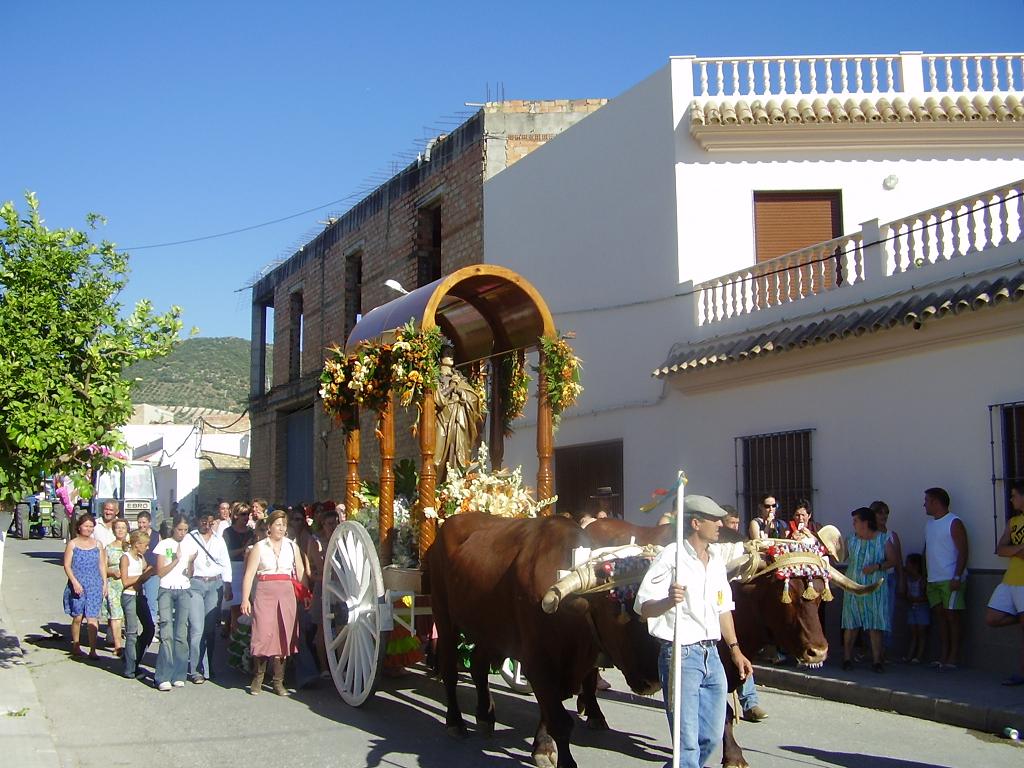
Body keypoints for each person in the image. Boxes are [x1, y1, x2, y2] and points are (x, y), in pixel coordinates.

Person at [634, 495, 753, 768]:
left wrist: (735, 650)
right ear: (696, 523)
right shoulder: (671, 557)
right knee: (686, 745)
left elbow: (723, 609)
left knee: (711, 736)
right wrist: (667, 601)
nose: (720, 524)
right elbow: (643, 607)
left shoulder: (716, 562)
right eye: (713, 520)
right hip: (681, 654)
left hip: (712, 655)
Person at [241, 509, 307, 696]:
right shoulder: (259, 547)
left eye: (284, 525)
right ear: (269, 527)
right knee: (263, 633)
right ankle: (258, 678)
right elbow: (249, 575)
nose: (281, 528)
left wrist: (305, 594)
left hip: (286, 591)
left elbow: (300, 571)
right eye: (278, 524)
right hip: (265, 591)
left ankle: (279, 682)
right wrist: (246, 598)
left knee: (284, 634)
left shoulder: (292, 546)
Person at [841, 507, 897, 672]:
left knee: (875, 625)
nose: (853, 524)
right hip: (853, 588)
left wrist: (877, 566)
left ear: (865, 522)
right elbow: (840, 557)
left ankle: (877, 661)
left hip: (875, 589)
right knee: (851, 624)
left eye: (856, 521)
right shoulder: (851, 540)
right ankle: (846, 658)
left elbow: (893, 560)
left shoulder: (883, 539)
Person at [183, 510, 232, 684]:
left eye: (209, 521)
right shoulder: (190, 538)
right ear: (197, 521)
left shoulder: (219, 540)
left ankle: (209, 665)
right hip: (195, 584)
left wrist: (228, 584)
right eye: (203, 520)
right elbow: (183, 560)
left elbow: (225, 563)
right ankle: (195, 669)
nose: (206, 524)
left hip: (214, 585)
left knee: (210, 630)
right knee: (197, 628)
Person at [923, 487, 968, 670]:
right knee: (940, 617)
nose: (924, 504)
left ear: (935, 502)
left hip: (950, 578)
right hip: (933, 578)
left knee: (952, 617)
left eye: (926, 500)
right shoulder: (929, 525)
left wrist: (957, 575)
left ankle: (954, 656)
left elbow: (963, 550)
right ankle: (943, 655)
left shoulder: (954, 522)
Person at [986, 480, 1024, 685]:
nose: (1011, 499)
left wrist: (1013, 550)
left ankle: (1021, 673)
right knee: (992, 618)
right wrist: (1018, 550)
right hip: (1010, 580)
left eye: (1014, 495)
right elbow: (1000, 549)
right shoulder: (1013, 522)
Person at [154, 514, 194, 691]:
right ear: (174, 529)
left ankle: (179, 673)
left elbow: (190, 574)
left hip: (184, 589)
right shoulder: (164, 544)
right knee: (166, 632)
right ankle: (163, 675)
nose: (182, 533)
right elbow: (160, 572)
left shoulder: (189, 544)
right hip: (167, 589)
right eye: (180, 530)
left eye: (185, 530)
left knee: (181, 633)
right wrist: (176, 559)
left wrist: (190, 563)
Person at [62, 513, 107, 658]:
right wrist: (74, 582)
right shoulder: (72, 544)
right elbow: (67, 565)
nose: (88, 529)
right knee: (78, 616)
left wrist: (104, 583)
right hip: (78, 584)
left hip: (94, 584)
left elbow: (101, 565)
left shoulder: (97, 544)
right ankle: (76, 645)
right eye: (85, 526)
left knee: (93, 618)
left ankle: (93, 650)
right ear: (79, 527)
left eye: (91, 526)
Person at [434, 353, 484, 476]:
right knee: (436, 458)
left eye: (451, 353)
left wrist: (462, 394)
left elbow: (474, 398)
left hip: (459, 418)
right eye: (446, 353)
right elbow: (436, 399)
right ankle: (435, 488)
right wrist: (451, 387)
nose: (450, 356)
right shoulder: (435, 378)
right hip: (442, 418)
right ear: (440, 358)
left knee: (459, 455)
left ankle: (455, 486)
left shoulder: (458, 378)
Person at [120, 529, 156, 679]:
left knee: (150, 628)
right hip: (129, 596)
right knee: (132, 632)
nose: (147, 548)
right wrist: (142, 576)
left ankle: (135, 658)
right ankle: (129, 669)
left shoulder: (141, 558)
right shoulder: (126, 558)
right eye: (145, 545)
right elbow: (125, 581)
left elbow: (145, 571)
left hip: (140, 596)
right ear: (137, 544)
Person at [870, 500, 904, 655]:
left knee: (887, 615)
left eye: (886, 512)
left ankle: (884, 651)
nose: (883, 516)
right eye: (880, 512)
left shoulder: (892, 536)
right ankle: (871, 650)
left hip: (888, 580)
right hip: (871, 581)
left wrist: (901, 580)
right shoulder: (867, 535)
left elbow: (898, 560)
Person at [223, 503, 254, 637]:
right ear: (235, 515)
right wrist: (243, 549)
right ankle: (233, 634)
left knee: (245, 606)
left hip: (248, 568)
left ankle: (242, 634)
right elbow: (225, 554)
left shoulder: (251, 532)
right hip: (233, 568)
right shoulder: (228, 532)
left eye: (248, 514)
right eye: (243, 514)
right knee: (234, 606)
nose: (246, 517)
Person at [101, 518, 130, 657]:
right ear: (113, 530)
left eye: (123, 528)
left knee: (128, 615)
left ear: (127, 530)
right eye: (117, 528)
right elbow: (102, 568)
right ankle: (118, 645)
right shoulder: (108, 548)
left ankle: (130, 645)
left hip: (129, 585)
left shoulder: (131, 547)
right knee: (116, 615)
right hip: (114, 585)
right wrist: (112, 572)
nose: (120, 530)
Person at [903, 553, 929, 664]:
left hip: (921, 608)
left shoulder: (922, 580)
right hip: (911, 607)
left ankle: (919, 656)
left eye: (908, 564)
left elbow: (926, 597)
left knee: (921, 632)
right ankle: (910, 655)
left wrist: (916, 599)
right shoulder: (907, 579)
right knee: (913, 632)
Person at [136, 511, 160, 625]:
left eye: (144, 522)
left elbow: (160, 554)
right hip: (137, 573)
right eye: (139, 522)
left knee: (151, 601)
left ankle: (152, 627)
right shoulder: (134, 535)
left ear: (149, 523)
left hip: (152, 573)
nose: (141, 525)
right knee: (136, 602)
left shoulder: (157, 535)